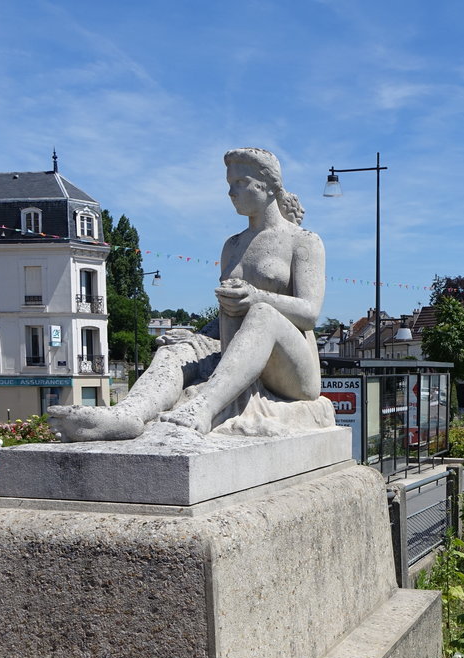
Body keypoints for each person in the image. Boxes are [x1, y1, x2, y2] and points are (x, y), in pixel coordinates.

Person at [49, 148, 327, 441]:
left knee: (262, 313)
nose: (231, 192)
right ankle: (128, 415)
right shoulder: (232, 245)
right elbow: (227, 313)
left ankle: (204, 408)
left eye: (240, 183)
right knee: (179, 348)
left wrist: (258, 297)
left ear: (269, 186)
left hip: (295, 372)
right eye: (229, 184)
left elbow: (310, 314)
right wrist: (195, 337)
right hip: (237, 350)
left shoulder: (304, 241)